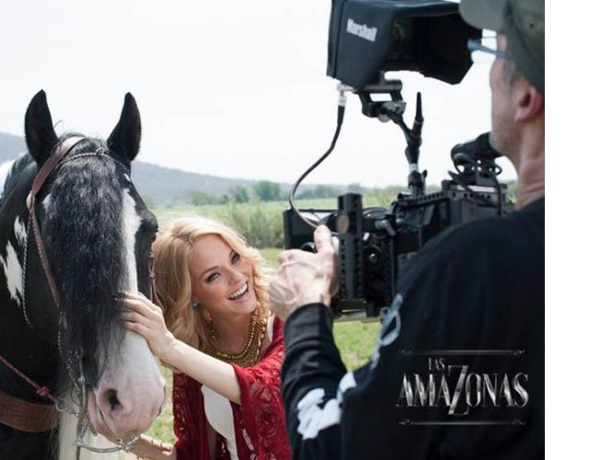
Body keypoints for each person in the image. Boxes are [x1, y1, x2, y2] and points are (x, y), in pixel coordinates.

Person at [268, 0, 544, 458]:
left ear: (526, 97)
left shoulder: (477, 270)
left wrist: (305, 312)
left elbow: (332, 445)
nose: (490, 78)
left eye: (495, 58)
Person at [93, 216, 290, 459]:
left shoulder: (289, 318)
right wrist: (120, 436)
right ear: (190, 296)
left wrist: (170, 346)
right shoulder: (196, 351)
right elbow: (194, 454)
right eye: (213, 276)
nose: (237, 277)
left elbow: (269, 392)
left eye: (235, 258)